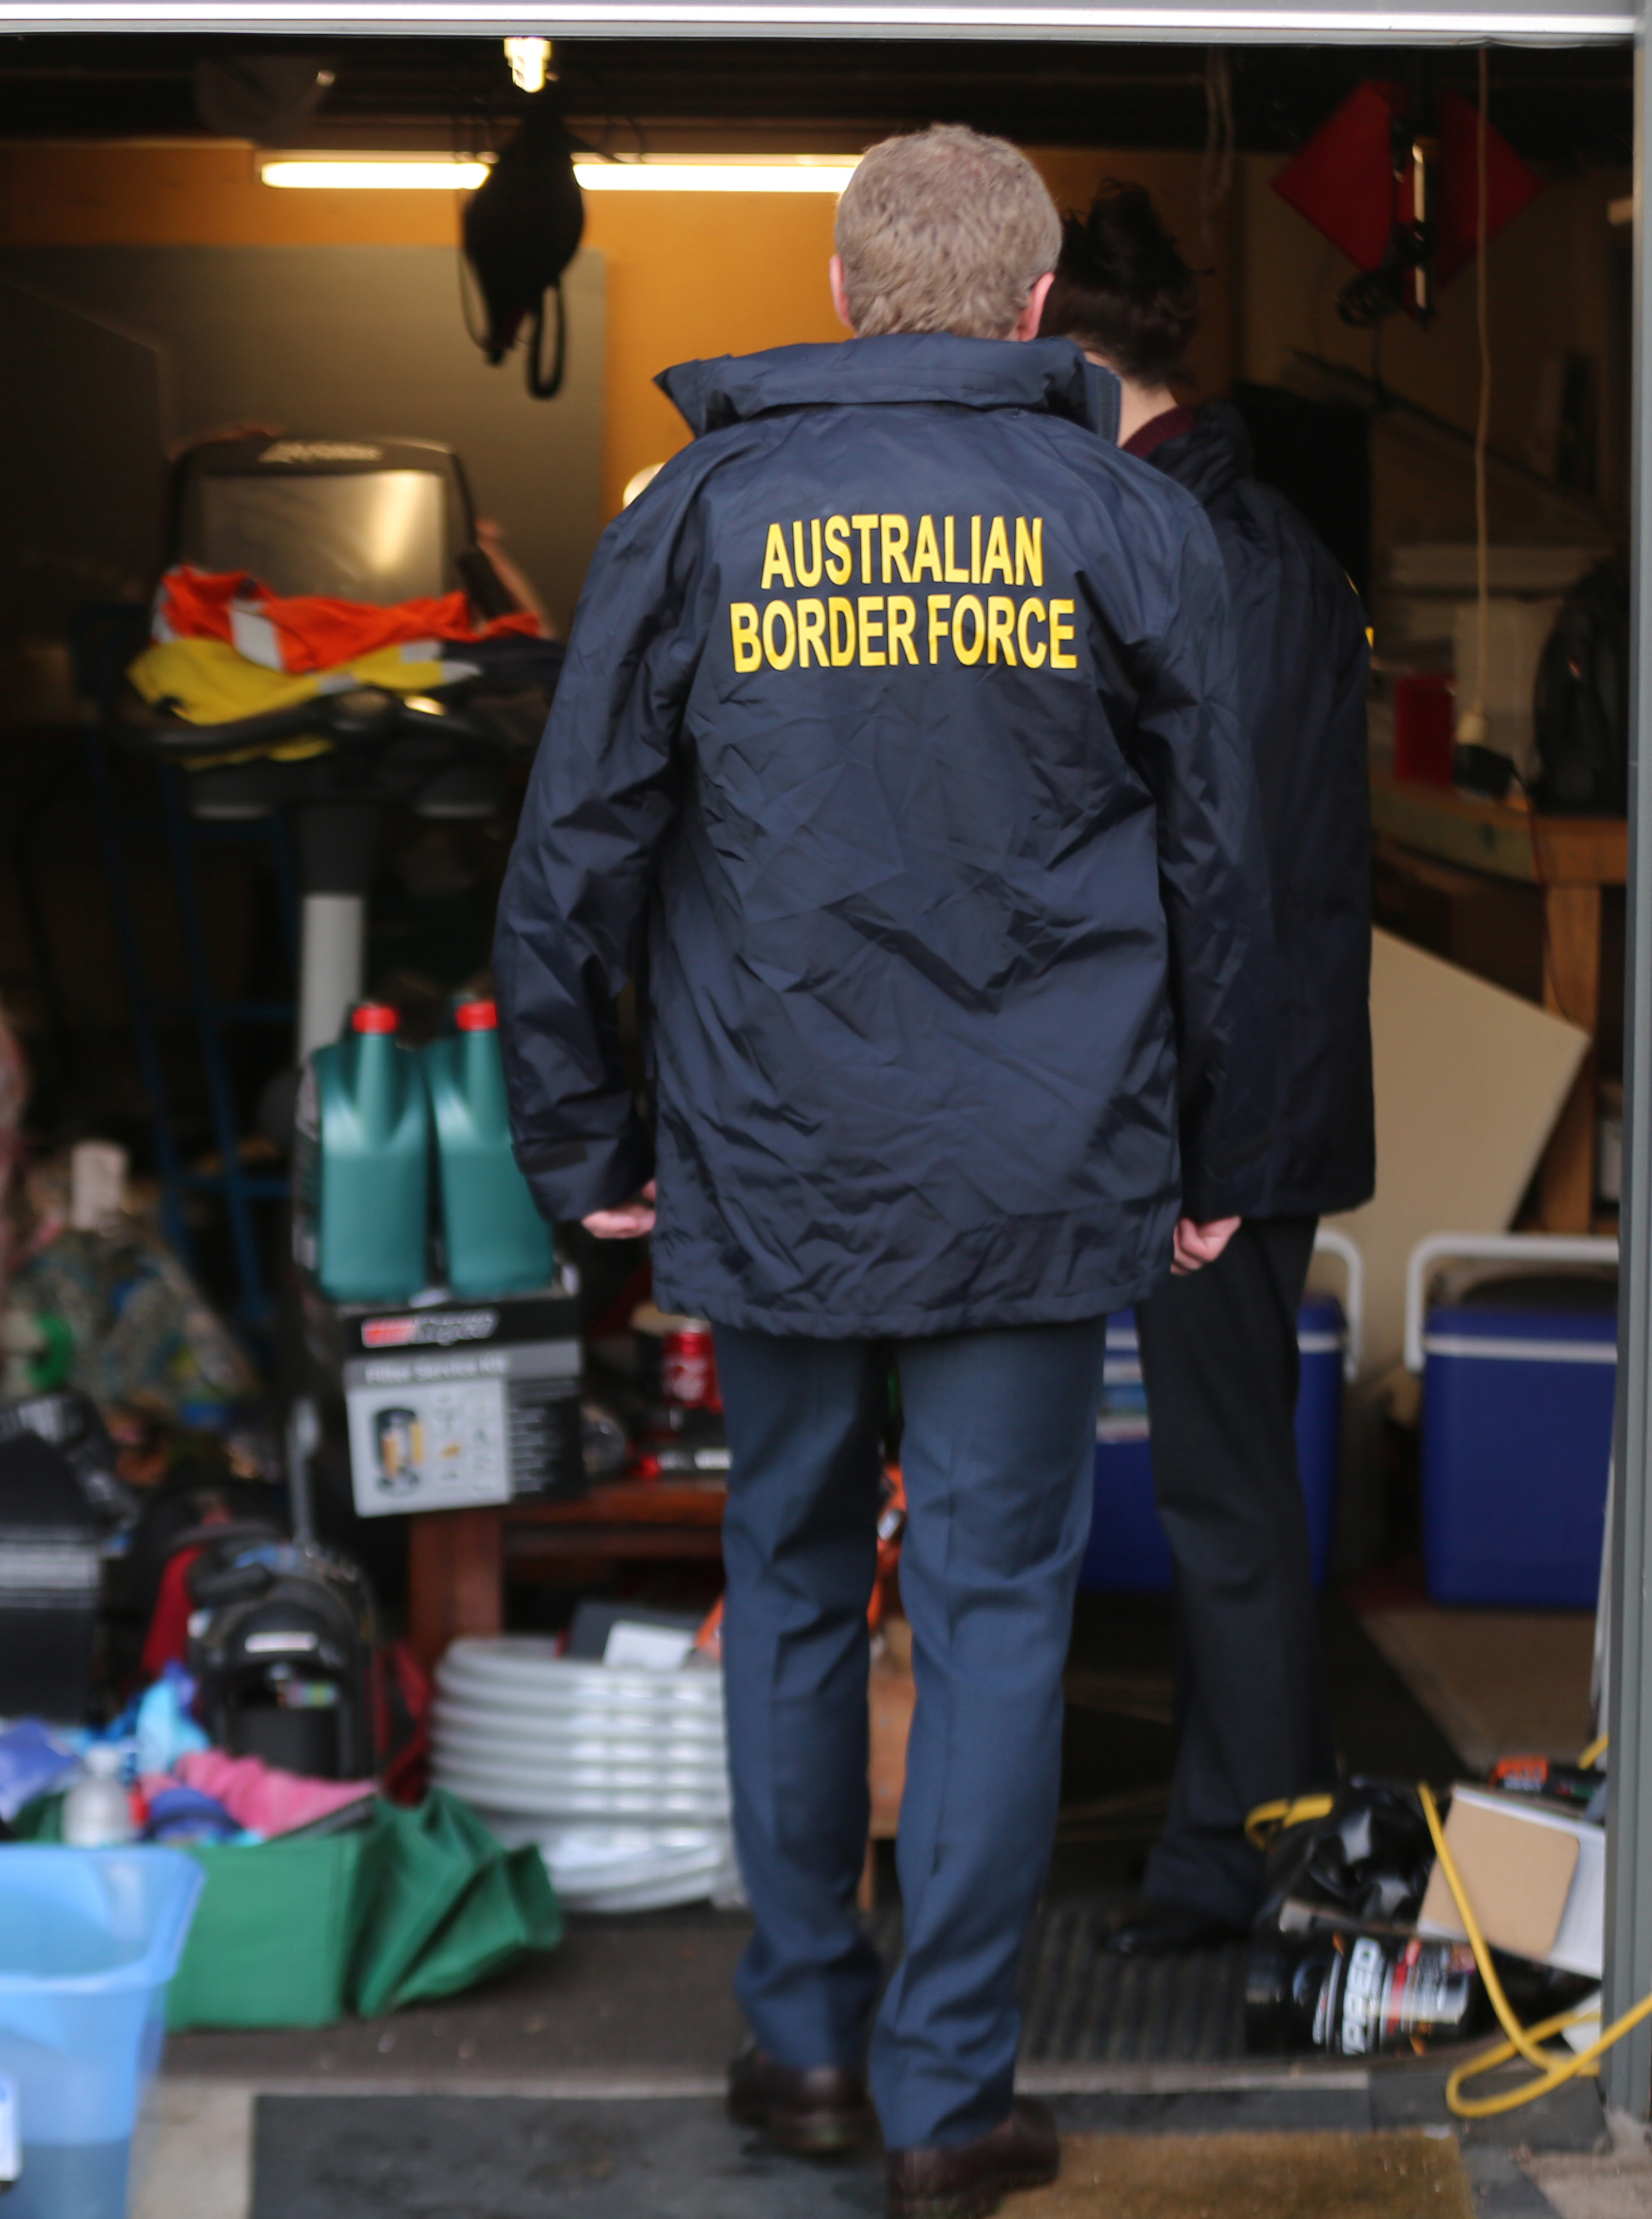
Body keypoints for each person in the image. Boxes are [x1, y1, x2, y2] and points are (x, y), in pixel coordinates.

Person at [493, 126, 1271, 2219]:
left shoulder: (702, 513)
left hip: (773, 1153)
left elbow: (569, 858)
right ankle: (948, 2103)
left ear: (841, 294)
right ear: (1033, 311)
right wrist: (1222, 1144)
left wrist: (589, 1145)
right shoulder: (1124, 514)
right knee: (1001, 1611)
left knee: (795, 1582)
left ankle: (807, 2043)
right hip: (1039, 1164)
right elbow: (1225, 864)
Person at [1040, 183, 1374, 1957]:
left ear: (1078, 364)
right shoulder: (1204, 530)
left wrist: (1195, 1145)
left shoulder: (1212, 558)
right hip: (1216, 1079)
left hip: (1226, 1095)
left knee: (1226, 1487)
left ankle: (1253, 1861)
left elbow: (1221, 879)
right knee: (1220, 1480)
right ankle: (1230, 1840)